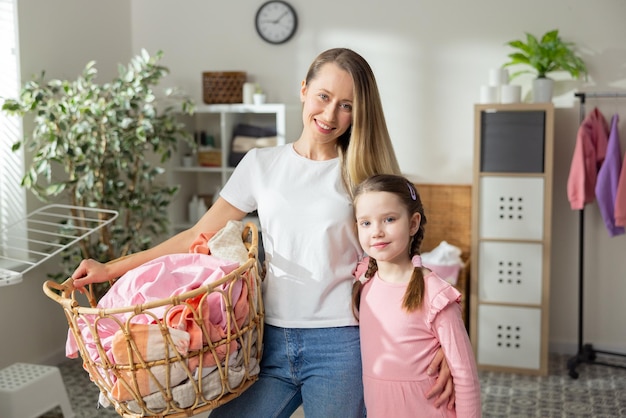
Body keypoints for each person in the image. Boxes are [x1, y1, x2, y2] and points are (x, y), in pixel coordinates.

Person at [71, 48, 455, 417]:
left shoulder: (362, 174)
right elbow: (196, 235)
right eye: (323, 96)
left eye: (347, 105)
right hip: (264, 340)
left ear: (358, 113)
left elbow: (400, 262)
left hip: (342, 343)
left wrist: (437, 338)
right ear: (304, 90)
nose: (330, 113)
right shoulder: (261, 164)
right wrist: (111, 268)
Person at [352, 174, 481, 418]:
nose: (376, 231)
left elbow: (466, 376)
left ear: (413, 224)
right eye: (365, 223)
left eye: (389, 219)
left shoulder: (436, 295)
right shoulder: (364, 280)